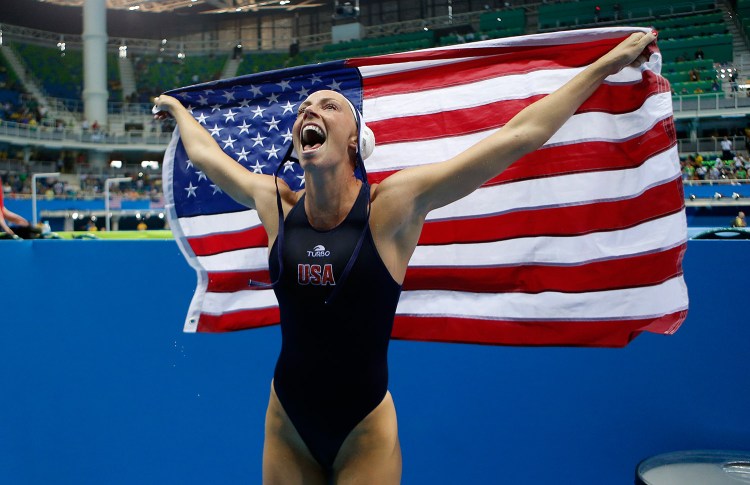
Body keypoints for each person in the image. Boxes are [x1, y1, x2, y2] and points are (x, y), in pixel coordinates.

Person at [153, 31, 657, 484]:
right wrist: (178, 110)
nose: (310, 111)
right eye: (304, 108)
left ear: (354, 141)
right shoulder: (276, 204)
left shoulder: (392, 207)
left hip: (364, 432)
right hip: (287, 424)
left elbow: (517, 137)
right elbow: (206, 156)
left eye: (328, 106)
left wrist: (604, 66)